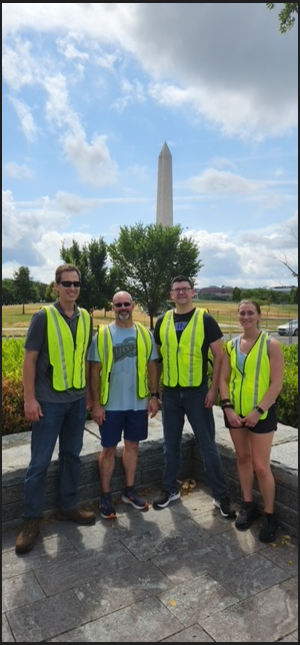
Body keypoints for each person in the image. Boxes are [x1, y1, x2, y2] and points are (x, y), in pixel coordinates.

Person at [15, 263, 96, 555]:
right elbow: (30, 360)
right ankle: (31, 521)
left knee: (72, 456)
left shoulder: (86, 317)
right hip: (48, 403)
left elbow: (85, 357)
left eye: (76, 284)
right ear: (56, 286)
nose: (72, 288)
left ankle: (68, 507)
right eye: (66, 284)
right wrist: (29, 399)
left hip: (76, 402)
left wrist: (88, 393)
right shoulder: (43, 317)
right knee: (39, 463)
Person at [152, 275, 236, 518]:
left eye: (185, 289)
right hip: (170, 394)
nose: (181, 293)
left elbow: (220, 356)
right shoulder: (162, 321)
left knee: (208, 445)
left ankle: (220, 496)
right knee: (170, 444)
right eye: (176, 289)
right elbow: (156, 361)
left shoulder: (205, 319)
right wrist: (155, 394)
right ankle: (170, 489)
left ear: (192, 292)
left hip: (197, 393)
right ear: (171, 294)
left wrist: (213, 390)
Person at [88, 291, 159, 519]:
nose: (123, 308)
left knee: (132, 446)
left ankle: (129, 491)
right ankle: (106, 495)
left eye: (126, 303)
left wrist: (154, 396)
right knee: (108, 448)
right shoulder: (104, 335)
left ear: (133, 305)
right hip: (111, 405)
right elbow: (94, 371)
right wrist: (96, 404)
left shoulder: (144, 334)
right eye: (118, 304)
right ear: (112, 307)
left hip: (137, 403)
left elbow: (152, 366)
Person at [219, 299, 285, 543]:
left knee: (260, 466)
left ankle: (269, 515)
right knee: (243, 458)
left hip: (262, 415)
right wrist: (227, 407)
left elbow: (276, 384)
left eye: (250, 313)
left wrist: (258, 410)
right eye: (241, 313)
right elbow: (224, 380)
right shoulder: (231, 345)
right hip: (235, 413)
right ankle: (249, 505)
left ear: (258, 316)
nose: (245, 317)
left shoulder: (271, 345)